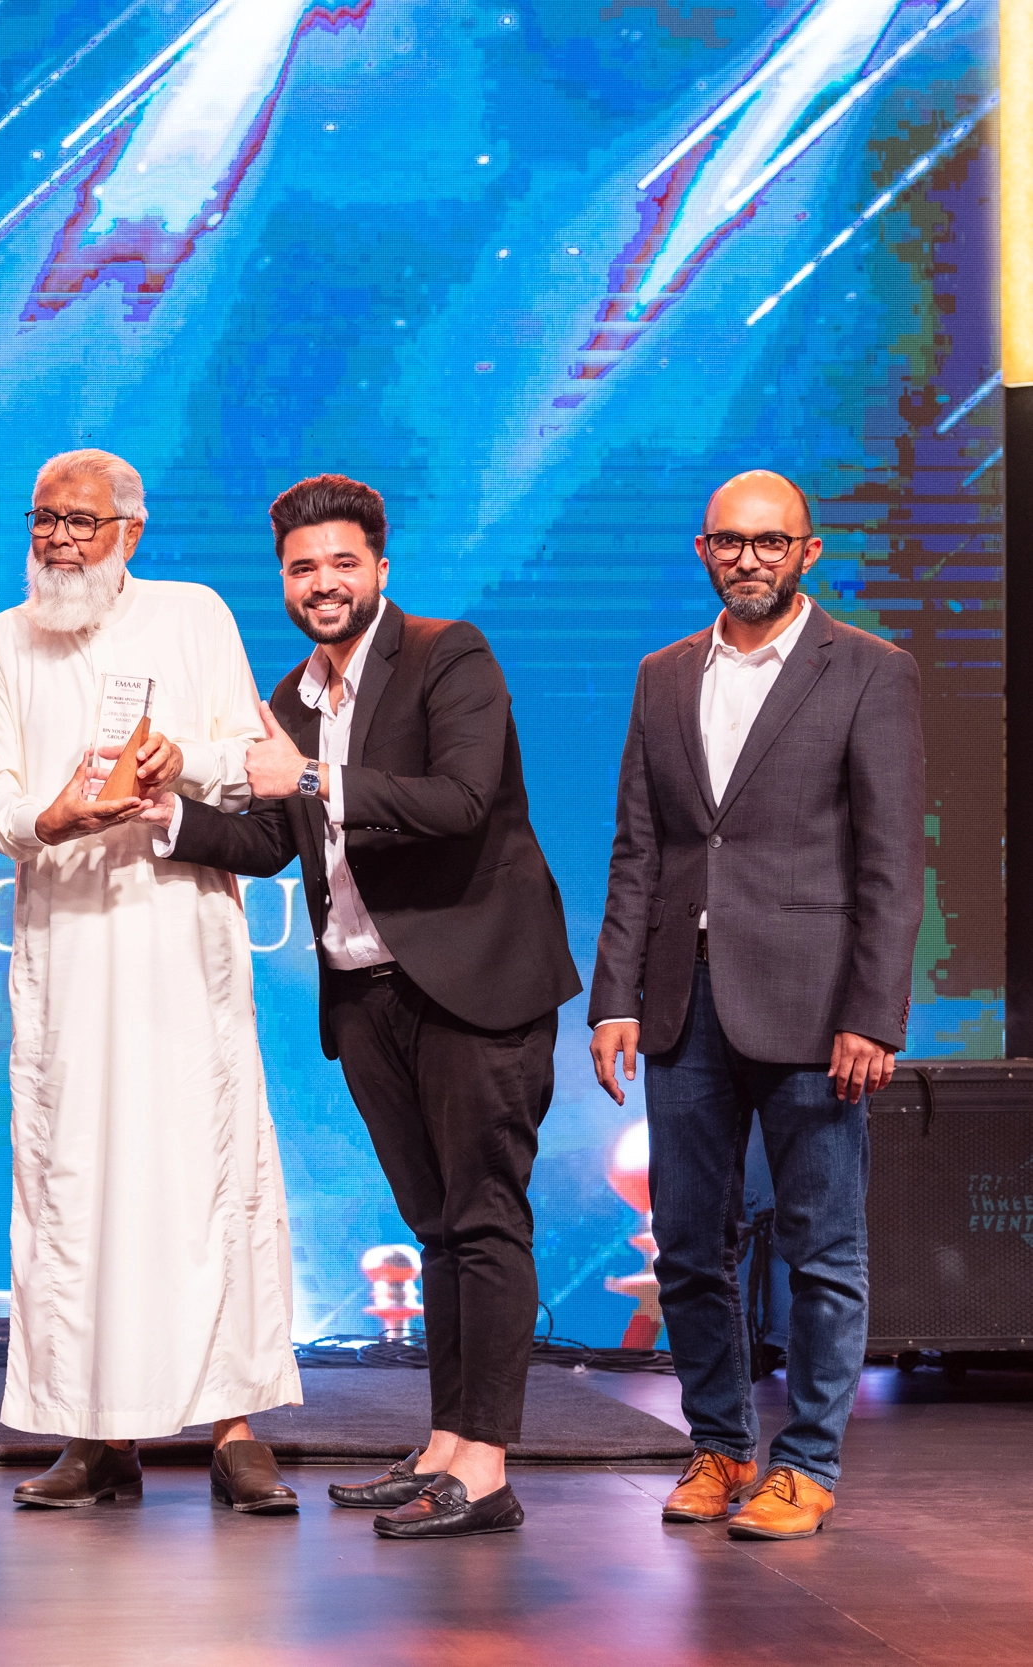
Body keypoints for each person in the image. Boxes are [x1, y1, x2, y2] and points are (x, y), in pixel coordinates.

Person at [157, 474, 578, 1539]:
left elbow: (460, 800)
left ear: (379, 568)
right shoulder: (292, 696)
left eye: (343, 562)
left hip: (477, 981)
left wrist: (306, 777)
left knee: (484, 1219)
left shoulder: (449, 654)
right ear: (284, 582)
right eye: (303, 567)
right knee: (436, 1225)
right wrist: (169, 816)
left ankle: (483, 1468)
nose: (323, 582)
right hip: (369, 994)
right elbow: (268, 838)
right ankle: (444, 1443)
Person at [588, 469, 923, 1541]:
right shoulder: (661, 674)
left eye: (771, 543)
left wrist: (870, 1010)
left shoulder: (869, 670)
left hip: (818, 1005)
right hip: (685, 1006)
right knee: (689, 1244)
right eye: (731, 542)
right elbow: (638, 846)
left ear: (807, 553)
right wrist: (614, 998)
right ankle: (719, 1445)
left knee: (820, 1247)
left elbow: (888, 859)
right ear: (702, 550)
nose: (750, 559)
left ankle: (807, 1462)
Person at [0, 449, 302, 1514]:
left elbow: (254, 757)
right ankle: (91, 1431)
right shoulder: (2, 639)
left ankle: (236, 1424)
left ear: (131, 529)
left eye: (82, 521)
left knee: (211, 1168)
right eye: (44, 521)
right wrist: (55, 817)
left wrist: (175, 765)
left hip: (179, 928)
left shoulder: (192, 613)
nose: (60, 541)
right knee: (77, 1184)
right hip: (68, 942)